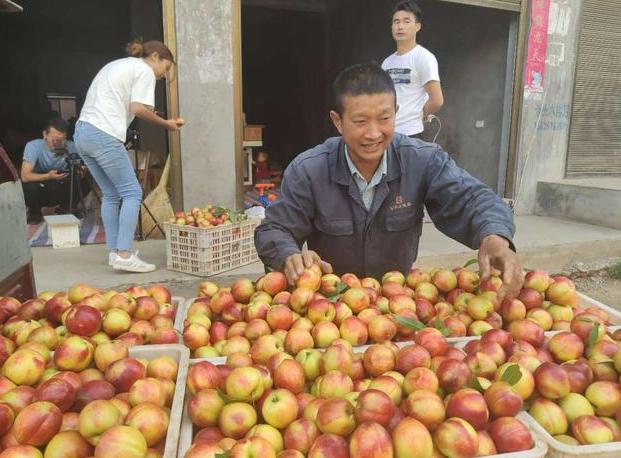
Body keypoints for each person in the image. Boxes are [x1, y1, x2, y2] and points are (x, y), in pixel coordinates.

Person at [254, 62, 522, 302]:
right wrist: (289, 255)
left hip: (399, 307)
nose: (373, 133)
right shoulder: (309, 170)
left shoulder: (421, 160)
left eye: (384, 118)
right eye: (360, 121)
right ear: (338, 121)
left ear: (396, 112)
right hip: (331, 310)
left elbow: (472, 198)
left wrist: (495, 235)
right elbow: (274, 229)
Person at [74, 39, 184, 273]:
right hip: (104, 134)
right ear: (155, 57)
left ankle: (116, 251)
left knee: (112, 194)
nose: (163, 76)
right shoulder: (144, 70)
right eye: (165, 68)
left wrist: (155, 114)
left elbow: (124, 102)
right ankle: (124, 253)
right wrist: (167, 124)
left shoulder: (120, 65)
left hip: (83, 133)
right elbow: (139, 109)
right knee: (132, 192)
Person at [382, 1, 444, 138]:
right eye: (396, 22)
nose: (400, 26)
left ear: (417, 26)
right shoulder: (387, 63)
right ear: (392, 27)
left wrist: (417, 116)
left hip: (410, 134)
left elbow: (437, 100)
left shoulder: (424, 58)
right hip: (386, 133)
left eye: (406, 21)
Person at [21, 117, 91, 224]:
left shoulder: (71, 146)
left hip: (62, 184)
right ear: (45, 134)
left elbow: (83, 171)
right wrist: (48, 176)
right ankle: (34, 211)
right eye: (54, 139)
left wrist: (82, 171)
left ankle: (67, 206)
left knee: (87, 181)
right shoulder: (33, 146)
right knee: (28, 186)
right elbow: (25, 176)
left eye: (61, 139)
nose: (57, 142)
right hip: (41, 184)